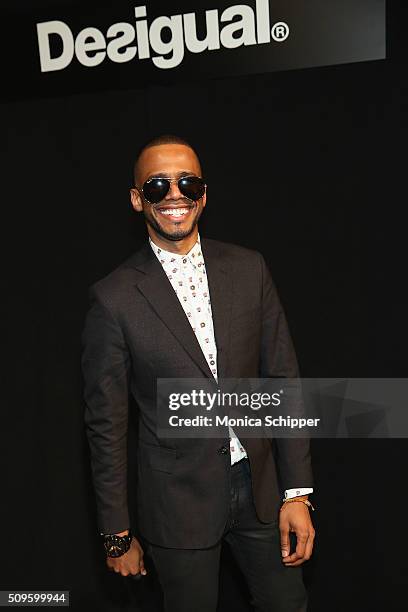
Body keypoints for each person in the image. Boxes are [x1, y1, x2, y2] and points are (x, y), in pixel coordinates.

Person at [81, 134, 315, 612]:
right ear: (136, 198)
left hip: (262, 490)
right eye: (156, 186)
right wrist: (115, 533)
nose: (174, 195)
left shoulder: (250, 269)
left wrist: (297, 492)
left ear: (203, 193)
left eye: (187, 182)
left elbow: (283, 381)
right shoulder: (113, 298)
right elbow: (106, 424)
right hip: (176, 504)